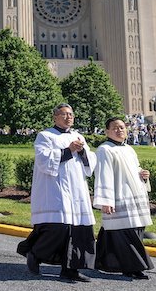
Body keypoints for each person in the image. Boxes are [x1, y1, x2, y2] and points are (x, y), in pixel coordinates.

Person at [17, 103, 96, 282]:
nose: (68, 117)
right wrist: (69, 150)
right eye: (64, 114)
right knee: (58, 228)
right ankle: (34, 253)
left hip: (77, 190)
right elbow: (44, 159)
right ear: (55, 117)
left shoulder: (78, 136)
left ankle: (71, 270)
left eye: (71, 114)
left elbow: (90, 162)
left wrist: (82, 150)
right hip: (55, 189)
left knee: (79, 230)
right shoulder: (45, 136)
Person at [93, 117, 154, 279]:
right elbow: (103, 175)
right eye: (115, 128)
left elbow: (134, 169)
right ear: (107, 131)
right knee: (126, 233)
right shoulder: (105, 150)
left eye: (122, 127)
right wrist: (106, 201)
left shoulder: (129, 149)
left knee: (128, 231)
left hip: (135, 197)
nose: (119, 130)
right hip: (119, 198)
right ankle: (134, 267)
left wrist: (143, 174)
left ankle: (100, 260)